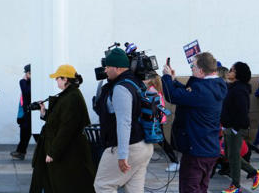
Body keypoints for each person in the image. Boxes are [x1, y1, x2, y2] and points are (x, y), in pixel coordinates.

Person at [161, 52, 226, 193]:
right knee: (201, 189)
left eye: (193, 67)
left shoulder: (202, 90)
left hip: (197, 151)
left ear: (201, 71)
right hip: (209, 148)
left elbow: (173, 96)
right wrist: (173, 80)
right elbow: (188, 94)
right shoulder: (214, 85)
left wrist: (166, 77)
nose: (191, 69)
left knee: (189, 189)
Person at [93, 48, 154, 193]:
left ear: (118, 68)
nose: (105, 70)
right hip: (143, 146)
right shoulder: (135, 82)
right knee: (135, 190)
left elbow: (124, 122)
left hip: (129, 147)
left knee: (103, 185)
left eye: (108, 67)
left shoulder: (121, 88)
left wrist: (122, 154)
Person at [29, 64, 95, 193]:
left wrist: (53, 152)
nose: (56, 80)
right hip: (65, 151)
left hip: (68, 153)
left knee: (63, 184)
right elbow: (59, 119)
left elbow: (67, 128)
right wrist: (44, 113)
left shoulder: (72, 97)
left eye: (58, 78)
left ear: (65, 79)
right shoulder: (69, 94)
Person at [221, 61, 259, 193]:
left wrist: (235, 128)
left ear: (238, 74)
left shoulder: (239, 90)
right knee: (229, 155)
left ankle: (235, 186)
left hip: (236, 128)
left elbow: (242, 111)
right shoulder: (232, 87)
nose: (229, 72)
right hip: (229, 126)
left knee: (233, 157)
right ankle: (254, 172)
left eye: (232, 70)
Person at [11, 63, 32, 160]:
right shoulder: (29, 82)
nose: (25, 75)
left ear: (29, 73)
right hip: (26, 114)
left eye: (26, 73)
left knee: (32, 134)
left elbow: (26, 92)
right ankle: (20, 152)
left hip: (29, 114)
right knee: (25, 133)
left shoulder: (26, 82)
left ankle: (21, 152)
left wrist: (23, 81)